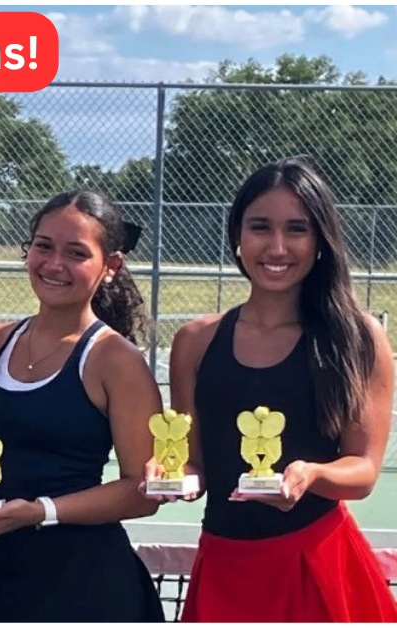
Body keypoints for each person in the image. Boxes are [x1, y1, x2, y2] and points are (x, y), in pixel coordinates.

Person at [152, 156, 397, 622]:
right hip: (225, 566)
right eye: (260, 227)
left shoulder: (358, 338)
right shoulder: (194, 342)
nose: (277, 246)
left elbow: (363, 470)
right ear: (238, 237)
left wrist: (309, 475)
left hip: (317, 566)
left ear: (320, 240)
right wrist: (169, 472)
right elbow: (194, 461)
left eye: (297, 229)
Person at [0, 190, 165, 622]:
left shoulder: (117, 361)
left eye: (76, 253)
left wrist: (41, 512)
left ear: (111, 267)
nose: (53, 264)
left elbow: (143, 495)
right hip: (0, 582)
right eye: (43, 246)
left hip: (88, 589)